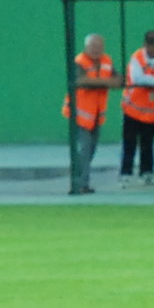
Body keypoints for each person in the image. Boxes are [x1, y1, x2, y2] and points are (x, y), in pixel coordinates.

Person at [64, 31, 116, 195]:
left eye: (99, 46)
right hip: (79, 115)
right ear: (86, 47)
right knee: (85, 150)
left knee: (91, 150)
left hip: (96, 116)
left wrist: (96, 82)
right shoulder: (79, 61)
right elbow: (80, 80)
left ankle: (81, 181)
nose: (96, 49)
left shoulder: (107, 61)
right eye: (93, 46)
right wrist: (105, 82)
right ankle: (80, 184)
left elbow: (118, 80)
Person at [119, 29, 154, 186]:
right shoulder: (137, 57)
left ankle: (147, 172)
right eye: (149, 44)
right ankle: (126, 173)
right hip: (133, 108)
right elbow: (138, 78)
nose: (152, 47)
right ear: (144, 44)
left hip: (152, 111)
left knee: (147, 143)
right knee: (130, 142)